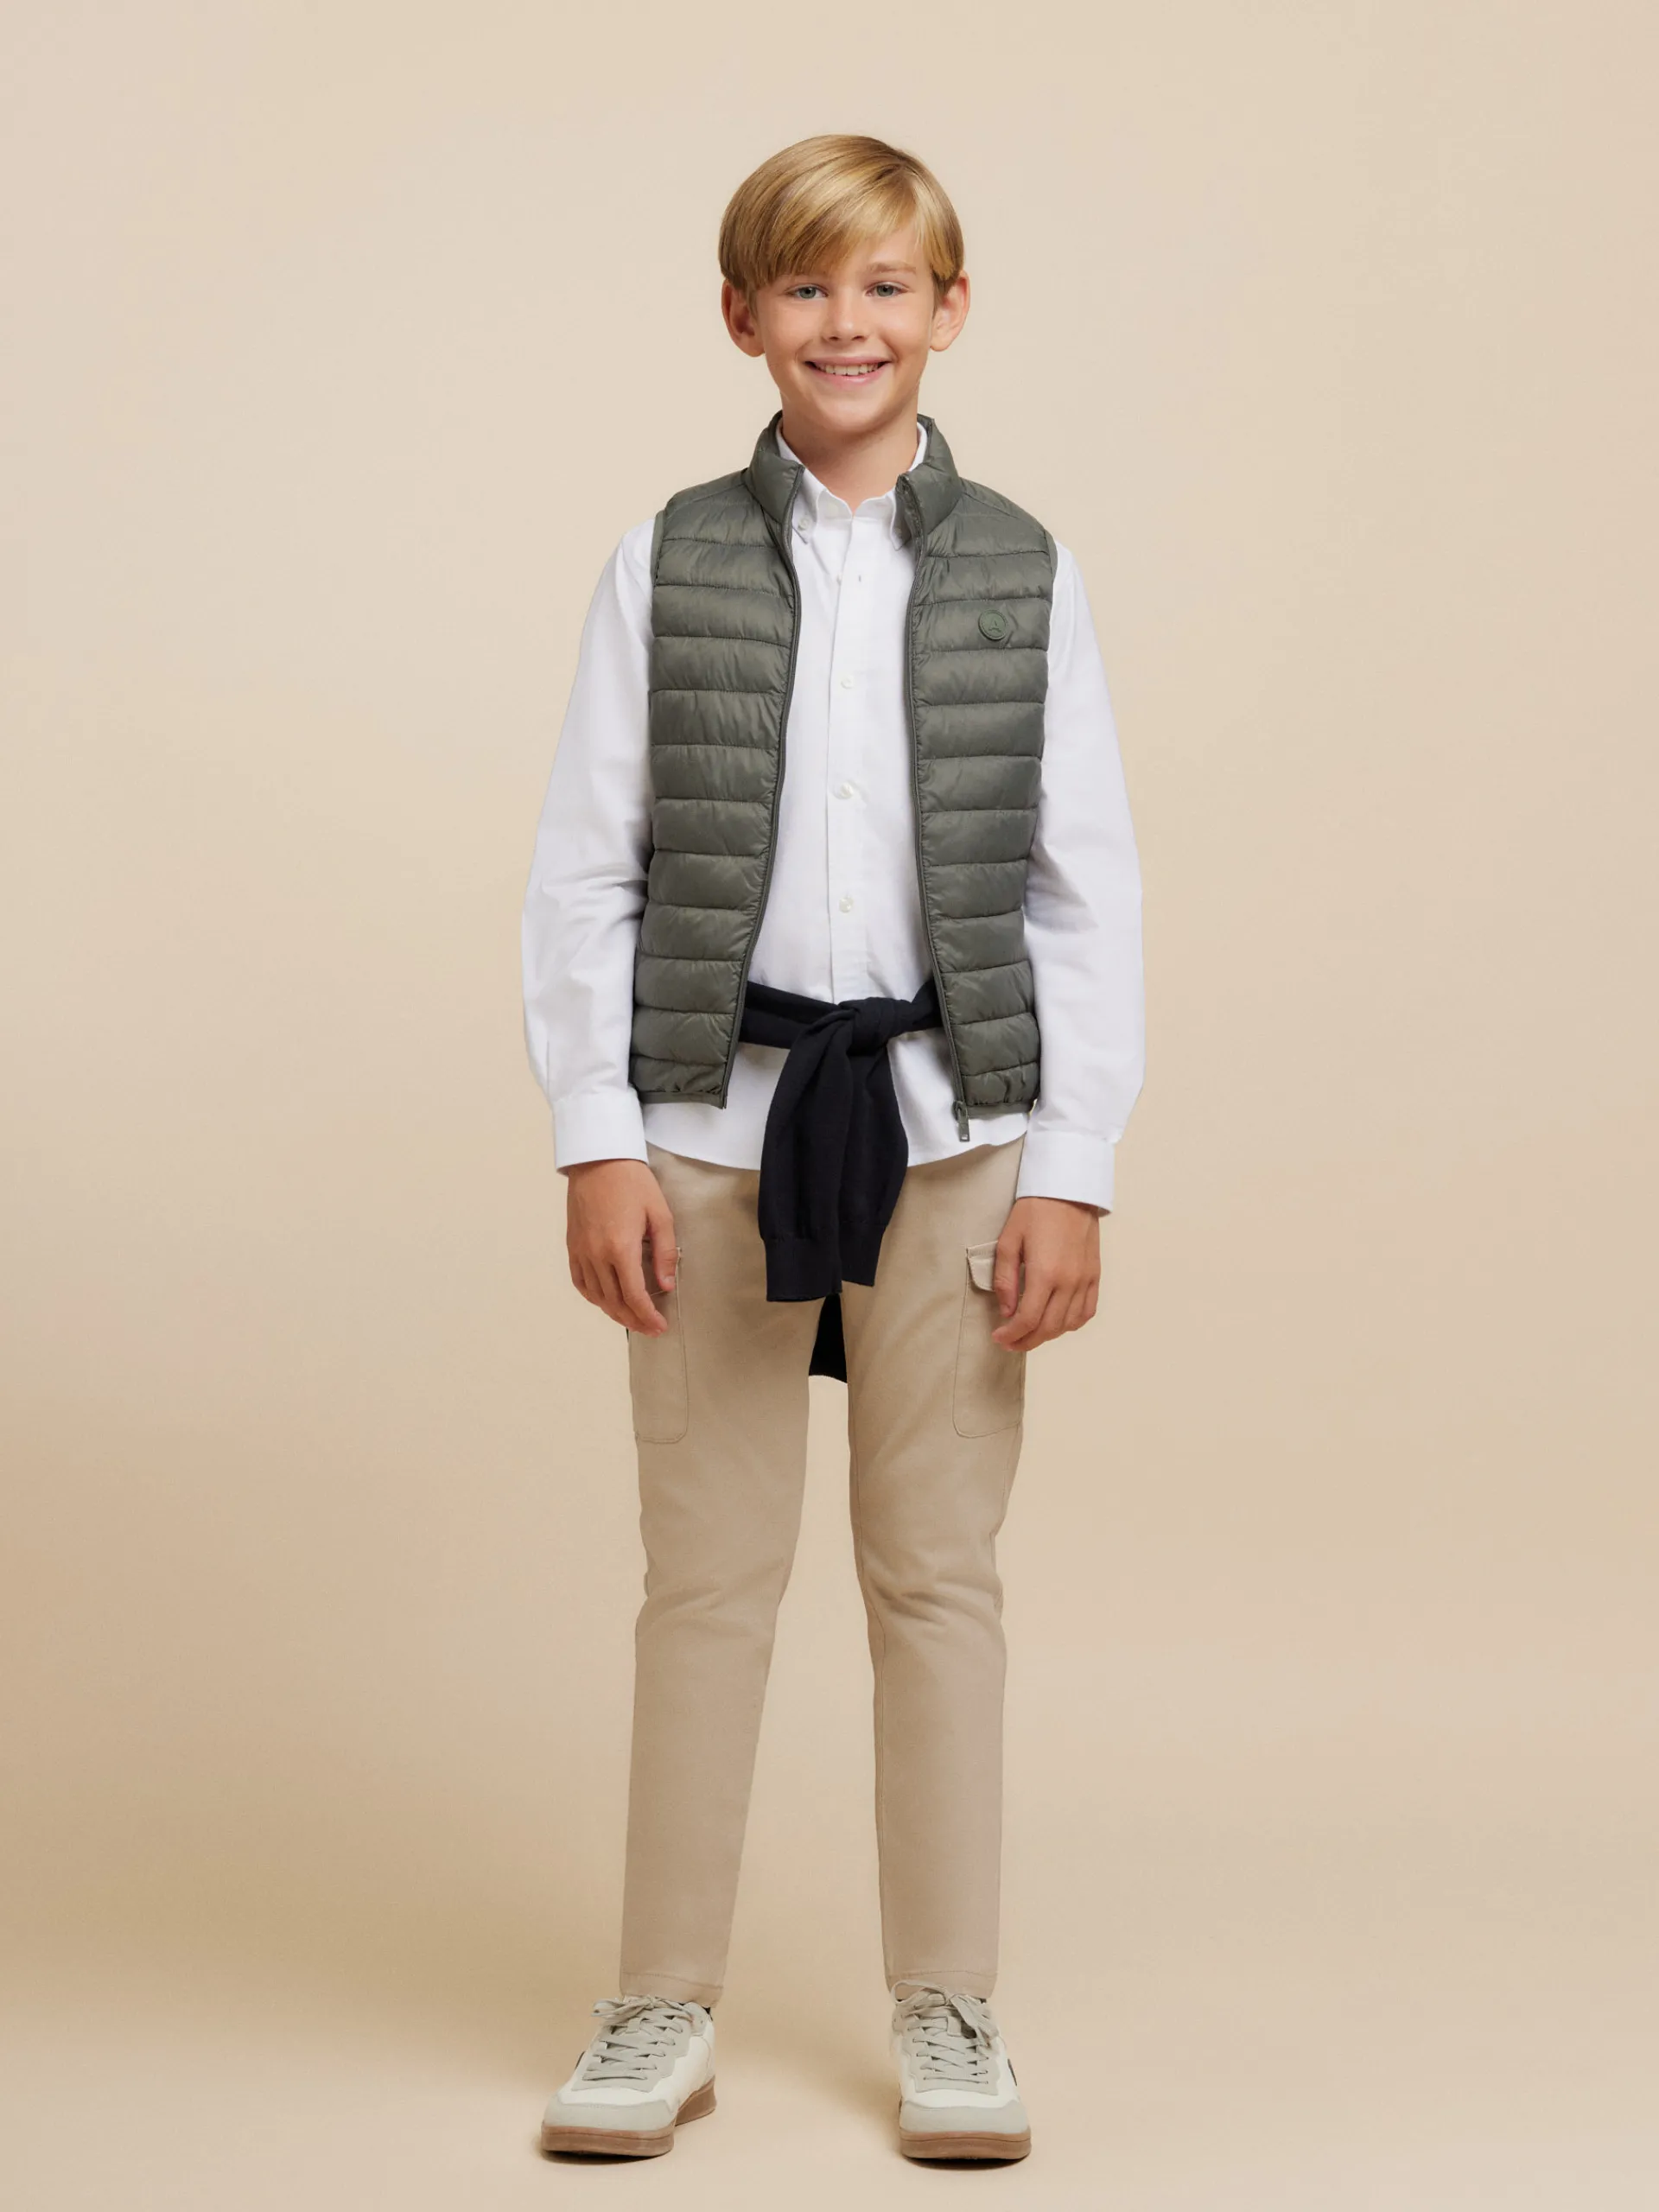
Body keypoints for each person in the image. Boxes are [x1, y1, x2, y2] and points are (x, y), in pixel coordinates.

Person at [521, 132, 1144, 2164]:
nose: (846, 324)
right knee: (704, 1577)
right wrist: (600, 1135)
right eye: (804, 288)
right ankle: (659, 2000)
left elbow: (1082, 890)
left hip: (957, 1136)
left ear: (949, 310)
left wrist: (1071, 1163)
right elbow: (588, 868)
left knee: (937, 1575)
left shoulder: (1024, 570)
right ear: (742, 319)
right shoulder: (669, 560)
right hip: (713, 1129)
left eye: (885, 287)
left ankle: (949, 1998)